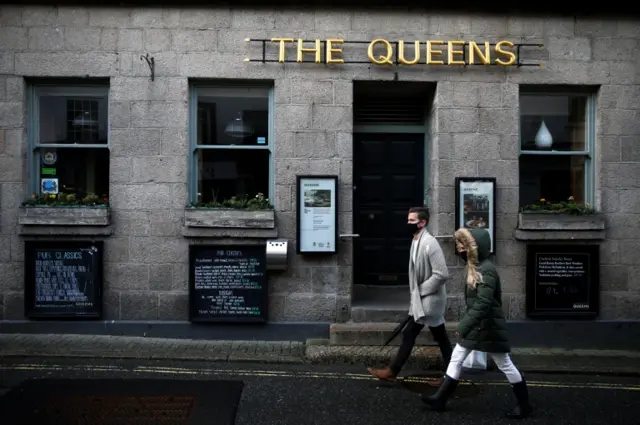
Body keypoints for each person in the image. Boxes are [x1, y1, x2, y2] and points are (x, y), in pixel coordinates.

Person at [421, 227, 533, 420]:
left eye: (461, 245)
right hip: (478, 325)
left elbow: (484, 303)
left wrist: (464, 325)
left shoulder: (486, 270)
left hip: (488, 326)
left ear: (473, 247)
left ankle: (524, 406)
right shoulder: (474, 266)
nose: (458, 248)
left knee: (504, 364)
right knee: (456, 358)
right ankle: (440, 399)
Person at [368, 206, 453, 386]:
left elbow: (442, 274)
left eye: (412, 221)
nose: (408, 224)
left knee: (415, 333)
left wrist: (420, 292)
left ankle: (393, 371)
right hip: (423, 300)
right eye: (408, 220)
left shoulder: (430, 243)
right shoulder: (416, 240)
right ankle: (451, 376)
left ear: (423, 223)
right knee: (437, 337)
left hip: (429, 300)